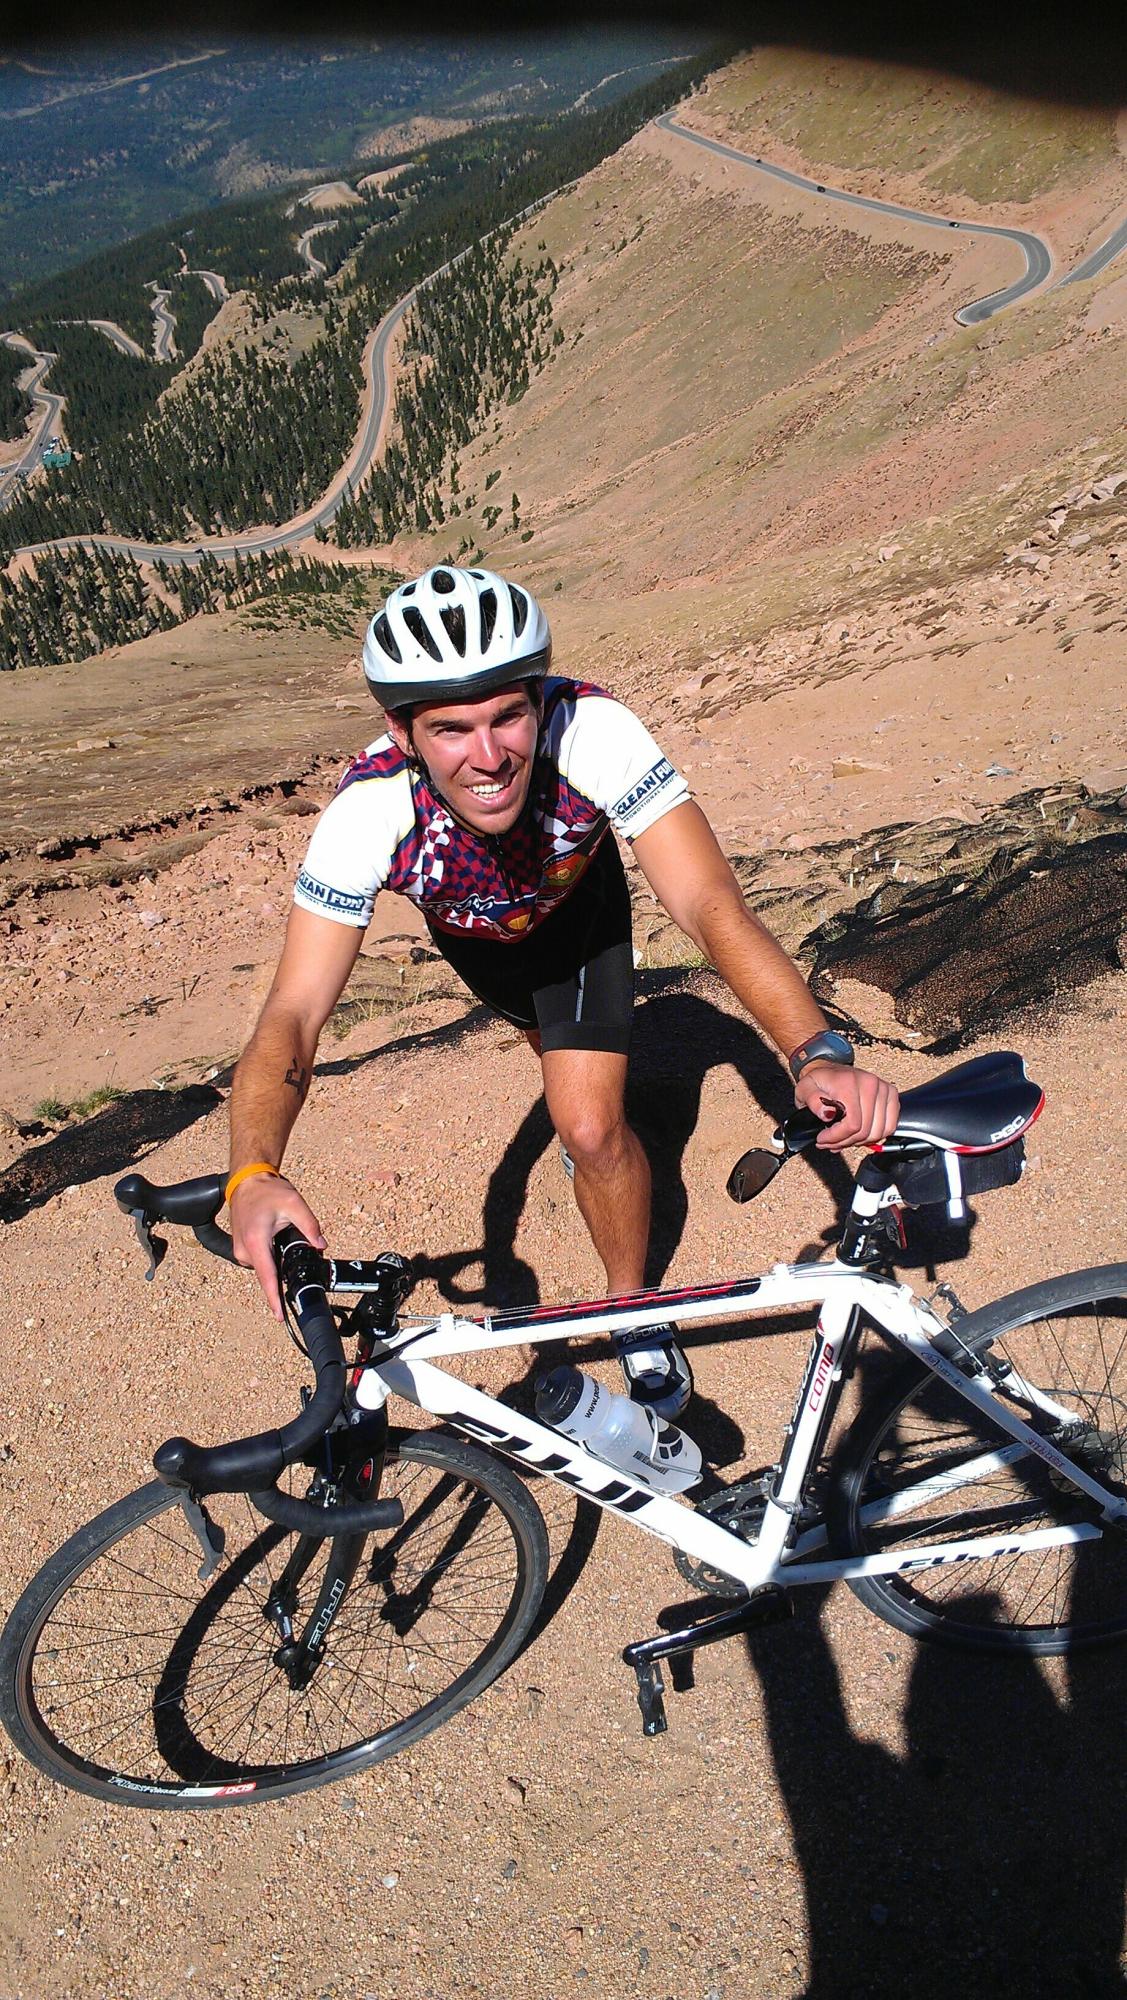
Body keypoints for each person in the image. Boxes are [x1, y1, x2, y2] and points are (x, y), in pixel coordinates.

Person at [227, 564, 899, 1417]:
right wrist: (252, 1172)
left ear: (539, 698)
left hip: (580, 922)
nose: (488, 756)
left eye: (508, 715)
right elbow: (292, 1014)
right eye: (450, 729)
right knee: (559, 1063)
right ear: (401, 731)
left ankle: (631, 1306)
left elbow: (708, 904)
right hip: (485, 950)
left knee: (586, 1126)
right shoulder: (368, 813)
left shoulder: (591, 730)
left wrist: (815, 1052)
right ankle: (598, 1097)